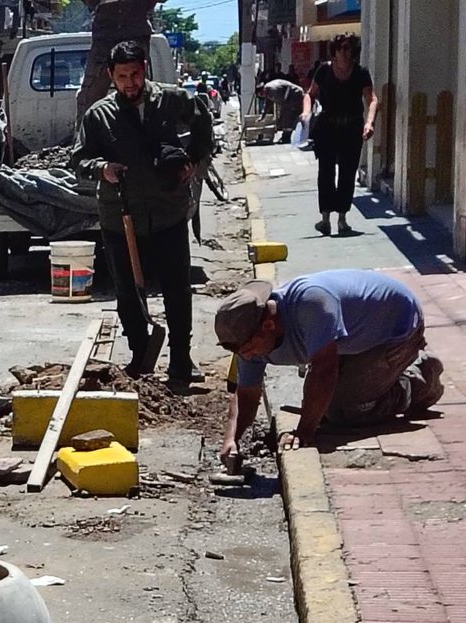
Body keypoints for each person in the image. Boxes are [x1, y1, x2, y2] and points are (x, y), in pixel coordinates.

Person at [74, 41, 214, 384]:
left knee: (177, 289)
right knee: (128, 292)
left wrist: (193, 160)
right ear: (111, 75)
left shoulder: (171, 100)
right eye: (122, 77)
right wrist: (102, 168)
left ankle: (181, 360)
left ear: (145, 69)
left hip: (168, 212)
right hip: (120, 217)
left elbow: (203, 121)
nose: (130, 83)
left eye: (135, 75)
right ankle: (140, 356)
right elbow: (78, 159)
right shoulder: (99, 115)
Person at [215, 271, 446, 469]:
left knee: (347, 410)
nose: (247, 357)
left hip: (395, 328)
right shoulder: (249, 340)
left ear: (268, 325)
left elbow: (324, 370)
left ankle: (419, 379)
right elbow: (246, 394)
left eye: (249, 350)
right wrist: (232, 439)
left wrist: (304, 432)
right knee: (325, 407)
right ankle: (382, 377)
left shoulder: (311, 304)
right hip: (351, 338)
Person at [303, 33, 376, 236]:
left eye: (348, 48)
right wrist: (306, 112)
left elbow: (371, 99)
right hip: (327, 127)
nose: (344, 52)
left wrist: (369, 122)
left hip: (352, 127)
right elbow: (310, 94)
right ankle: (325, 219)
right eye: (340, 48)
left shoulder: (360, 73)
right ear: (333, 51)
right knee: (326, 171)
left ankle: (342, 218)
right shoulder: (324, 71)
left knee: (347, 172)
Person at [77, 0, 164, 117]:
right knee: (91, 93)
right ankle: (87, 127)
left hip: (135, 29)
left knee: (139, 90)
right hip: (105, 34)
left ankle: (143, 125)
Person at [259, 77, 306, 142]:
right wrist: (263, 115)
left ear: (263, 90)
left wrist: (280, 117)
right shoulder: (268, 91)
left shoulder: (273, 90)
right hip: (289, 97)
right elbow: (268, 104)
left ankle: (286, 137)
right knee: (287, 116)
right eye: (261, 96)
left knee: (288, 116)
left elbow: (283, 104)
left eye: (262, 94)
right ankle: (288, 135)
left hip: (295, 95)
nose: (263, 96)